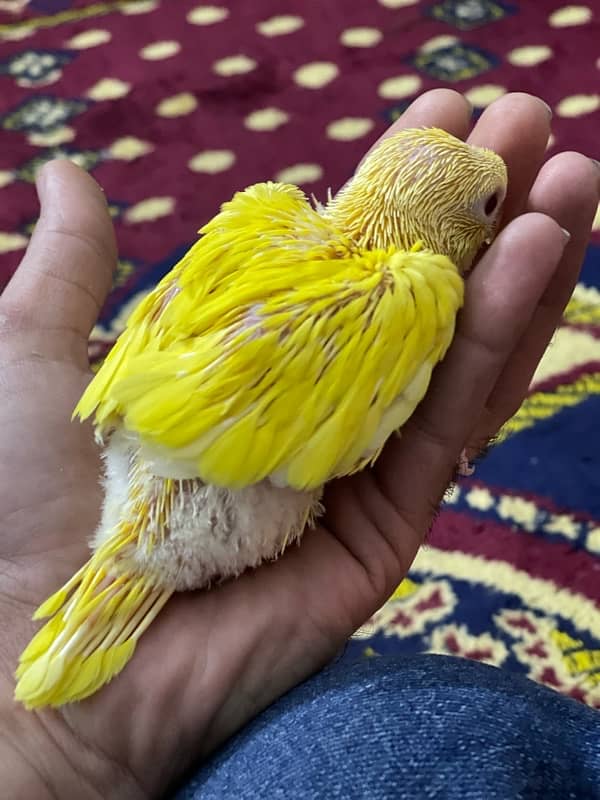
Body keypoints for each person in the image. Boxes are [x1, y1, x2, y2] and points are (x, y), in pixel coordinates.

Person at [0, 89, 598, 799]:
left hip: (132, 453)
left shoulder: (266, 216)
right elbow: (334, 443)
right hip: (224, 498)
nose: (492, 231)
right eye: (489, 212)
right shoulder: (414, 287)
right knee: (475, 738)